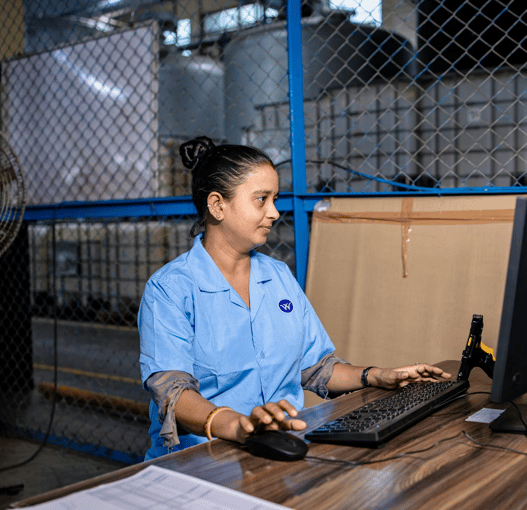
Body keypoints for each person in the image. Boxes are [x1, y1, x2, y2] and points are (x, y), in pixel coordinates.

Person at [138, 136, 451, 460]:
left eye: (275, 198)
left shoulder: (278, 277)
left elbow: (315, 368)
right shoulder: (170, 290)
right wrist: (238, 426)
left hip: (282, 449)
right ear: (218, 205)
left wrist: (376, 375)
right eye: (261, 200)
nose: (274, 212)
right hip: (202, 462)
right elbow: (173, 392)